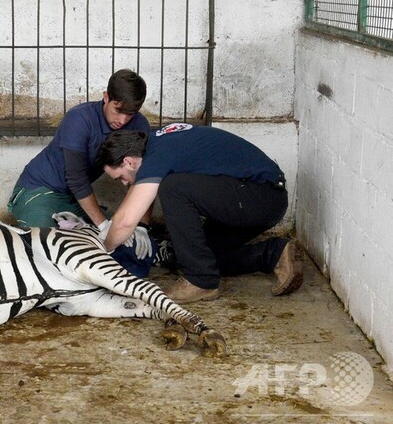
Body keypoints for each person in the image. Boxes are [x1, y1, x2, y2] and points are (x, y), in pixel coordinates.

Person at [96, 123, 303, 303]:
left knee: (172, 188)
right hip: (252, 197)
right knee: (198, 256)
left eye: (120, 177)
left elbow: (125, 222)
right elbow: (128, 207)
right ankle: (274, 254)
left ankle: (200, 280)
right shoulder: (157, 144)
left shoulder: (157, 155)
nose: (124, 183)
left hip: (262, 196)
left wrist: (103, 252)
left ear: (130, 162)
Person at [7, 68, 156, 277]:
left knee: (121, 242)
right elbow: (76, 179)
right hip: (38, 190)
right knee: (45, 246)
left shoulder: (139, 125)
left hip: (74, 199)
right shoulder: (80, 118)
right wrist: (103, 224)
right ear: (106, 97)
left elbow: (145, 179)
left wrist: (142, 226)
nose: (122, 121)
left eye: (129, 114)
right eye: (118, 110)